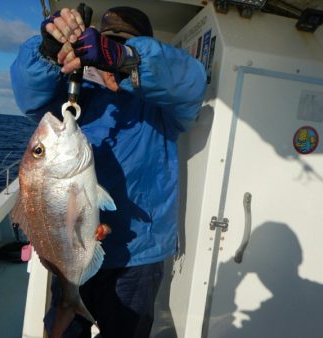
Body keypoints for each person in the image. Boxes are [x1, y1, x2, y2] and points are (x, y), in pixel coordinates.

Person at [11, 5, 206, 338]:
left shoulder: (164, 108)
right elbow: (29, 94)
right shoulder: (73, 94)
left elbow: (191, 79)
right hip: (69, 255)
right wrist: (46, 49)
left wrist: (128, 59)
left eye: (120, 47)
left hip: (138, 257)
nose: (106, 61)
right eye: (105, 46)